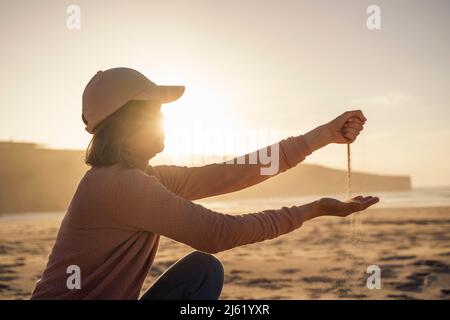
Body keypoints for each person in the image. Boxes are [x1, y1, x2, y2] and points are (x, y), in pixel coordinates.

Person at [31, 67, 379, 300]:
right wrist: (312, 210)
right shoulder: (120, 186)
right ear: (127, 121)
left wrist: (322, 135)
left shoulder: (144, 178)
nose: (163, 118)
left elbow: (235, 172)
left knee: (200, 271)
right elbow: (217, 234)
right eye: (154, 109)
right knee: (205, 270)